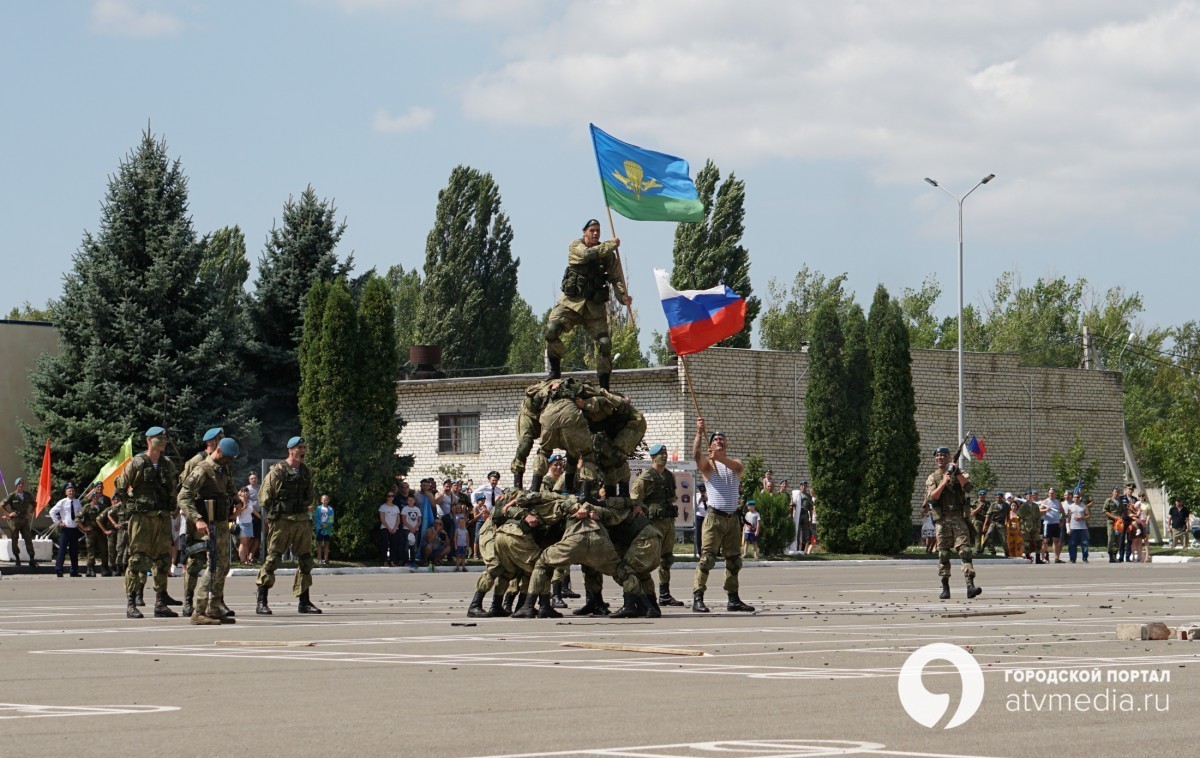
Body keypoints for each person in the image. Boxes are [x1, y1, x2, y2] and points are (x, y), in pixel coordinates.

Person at [543, 218, 631, 389]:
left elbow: (615, 277)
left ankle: (604, 386)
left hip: (594, 307)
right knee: (551, 330)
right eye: (592, 230)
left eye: (598, 230)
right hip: (571, 303)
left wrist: (623, 297)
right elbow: (586, 255)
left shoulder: (607, 254)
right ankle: (554, 372)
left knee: (604, 344)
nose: (595, 233)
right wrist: (610, 245)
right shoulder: (575, 246)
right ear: (584, 232)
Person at [115, 427, 182, 618]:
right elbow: (120, 486)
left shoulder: (167, 464)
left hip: (162, 518)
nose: (163, 441)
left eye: (164, 438)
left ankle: (160, 603)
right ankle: (131, 603)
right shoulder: (137, 462)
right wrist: (130, 506)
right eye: (158, 438)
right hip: (141, 519)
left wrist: (174, 508)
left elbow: (172, 488)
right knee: (137, 559)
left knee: (162, 560)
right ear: (148, 440)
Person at [691, 418, 754, 613]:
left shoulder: (733, 464)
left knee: (734, 560)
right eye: (716, 439)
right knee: (708, 558)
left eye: (722, 439)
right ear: (711, 445)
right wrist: (700, 433)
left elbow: (738, 468)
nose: (719, 441)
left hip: (732, 519)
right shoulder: (709, 466)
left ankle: (733, 599)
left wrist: (720, 458)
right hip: (714, 518)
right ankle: (698, 597)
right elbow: (695, 454)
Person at [178, 437, 241, 625]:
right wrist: (197, 519)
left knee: (223, 567)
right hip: (208, 523)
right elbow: (184, 496)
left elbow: (229, 489)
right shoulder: (202, 469)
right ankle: (198, 610)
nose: (229, 462)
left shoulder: (224, 468)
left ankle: (214, 609)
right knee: (213, 566)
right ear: (219, 452)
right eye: (227, 458)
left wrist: (237, 502)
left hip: (221, 522)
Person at [256, 436, 321, 615]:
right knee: (273, 559)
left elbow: (310, 495)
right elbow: (265, 497)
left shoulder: (306, 471)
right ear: (290, 450)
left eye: (304, 447)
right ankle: (262, 601)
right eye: (299, 448)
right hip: (282, 520)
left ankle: (304, 601)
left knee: (306, 560)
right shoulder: (277, 471)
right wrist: (274, 516)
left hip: (301, 519)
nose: (303, 451)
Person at [631, 443, 685, 607]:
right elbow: (635, 498)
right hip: (653, 523)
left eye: (666, 453)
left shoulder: (669, 476)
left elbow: (672, 497)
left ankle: (665, 594)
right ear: (653, 457)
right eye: (662, 454)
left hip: (668, 522)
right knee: (648, 559)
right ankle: (641, 593)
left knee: (666, 559)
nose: (665, 456)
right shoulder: (646, 477)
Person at [926, 446, 981, 599]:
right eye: (937, 455)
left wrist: (956, 472)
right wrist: (944, 482)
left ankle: (970, 586)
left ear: (949, 457)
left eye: (943, 455)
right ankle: (945, 588)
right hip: (942, 520)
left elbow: (968, 487)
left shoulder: (959, 473)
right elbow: (932, 498)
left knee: (966, 551)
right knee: (943, 554)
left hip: (958, 518)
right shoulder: (933, 477)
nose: (940, 458)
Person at [2, 477, 39, 569]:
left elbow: (35, 504)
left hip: (24, 519)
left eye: (22, 484)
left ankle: (32, 559)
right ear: (16, 486)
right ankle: (17, 558)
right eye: (19, 484)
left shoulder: (27, 495)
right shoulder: (12, 495)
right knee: (15, 539)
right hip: (14, 520)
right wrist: (8, 514)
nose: (21, 485)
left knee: (28, 538)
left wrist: (30, 513)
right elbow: (1, 505)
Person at [49, 483, 83, 578]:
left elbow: (81, 514)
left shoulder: (77, 502)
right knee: (62, 550)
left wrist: (80, 522)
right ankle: (59, 569)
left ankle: (74, 570)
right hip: (65, 529)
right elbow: (52, 512)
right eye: (69, 490)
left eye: (72, 490)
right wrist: (58, 523)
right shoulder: (62, 502)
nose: (71, 492)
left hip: (74, 529)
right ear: (66, 492)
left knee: (74, 551)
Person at [79, 485, 113, 577]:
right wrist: (84, 528)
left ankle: (104, 569)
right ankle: (90, 569)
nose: (96, 498)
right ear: (91, 498)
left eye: (97, 496)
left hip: (101, 531)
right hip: (91, 532)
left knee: (104, 550)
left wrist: (107, 528)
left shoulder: (104, 507)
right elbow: (77, 519)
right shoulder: (87, 507)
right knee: (91, 551)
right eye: (94, 496)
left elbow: (109, 517)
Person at [1039, 488, 1065, 563]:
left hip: (1056, 523)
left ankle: (1057, 558)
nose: (1051, 494)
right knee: (1045, 541)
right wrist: (1046, 509)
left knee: (1056, 540)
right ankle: (1044, 558)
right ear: (1048, 494)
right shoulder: (1045, 501)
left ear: (1055, 494)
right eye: (1050, 493)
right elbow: (1039, 511)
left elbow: (1061, 512)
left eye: (1052, 493)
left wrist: (1062, 521)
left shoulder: (1057, 502)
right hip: (1048, 523)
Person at [1102, 487, 1128, 563]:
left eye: (1118, 492)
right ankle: (1110, 555)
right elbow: (1105, 511)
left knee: (1117, 538)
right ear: (1112, 492)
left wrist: (1121, 517)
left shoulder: (1120, 501)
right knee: (1111, 538)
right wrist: (1114, 517)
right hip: (1111, 522)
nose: (1116, 494)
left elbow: (1124, 511)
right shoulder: (1108, 501)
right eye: (1115, 492)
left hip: (1118, 523)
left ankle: (1114, 555)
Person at [379, 491, 401, 567]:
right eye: (389, 496)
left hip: (395, 529)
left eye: (392, 496)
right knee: (384, 545)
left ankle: (392, 561)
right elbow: (382, 519)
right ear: (386, 497)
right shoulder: (383, 507)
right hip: (385, 528)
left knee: (394, 546)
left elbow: (398, 519)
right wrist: (389, 528)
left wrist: (394, 528)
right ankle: (385, 561)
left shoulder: (396, 507)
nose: (391, 497)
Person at [1066, 493, 1091, 563]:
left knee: (1085, 543)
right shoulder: (1070, 507)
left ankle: (1085, 558)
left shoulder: (1084, 506)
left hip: (1082, 528)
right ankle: (1072, 559)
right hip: (1073, 527)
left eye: (1077, 497)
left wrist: (1082, 517)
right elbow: (1068, 518)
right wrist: (1068, 527)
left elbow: (1088, 516)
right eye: (1075, 497)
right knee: (1072, 544)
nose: (1076, 498)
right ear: (1073, 498)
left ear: (1080, 498)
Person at [400, 493, 423, 569]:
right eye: (409, 500)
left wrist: (415, 528)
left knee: (413, 547)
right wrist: (410, 528)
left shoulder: (417, 509)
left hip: (415, 530)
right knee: (406, 546)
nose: (410, 501)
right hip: (406, 530)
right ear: (407, 501)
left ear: (414, 501)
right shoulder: (405, 509)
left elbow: (419, 520)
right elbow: (403, 520)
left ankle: (413, 561)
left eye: (412, 500)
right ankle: (406, 561)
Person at [235, 486, 256, 564]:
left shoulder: (250, 501)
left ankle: (246, 559)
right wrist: (243, 508)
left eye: (247, 491)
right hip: (241, 523)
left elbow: (254, 511)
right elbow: (236, 513)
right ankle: (242, 560)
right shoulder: (238, 501)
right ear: (241, 492)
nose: (245, 493)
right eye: (243, 491)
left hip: (249, 523)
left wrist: (262, 518)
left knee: (247, 542)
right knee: (243, 542)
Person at [314, 494, 335, 566]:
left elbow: (331, 519)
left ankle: (326, 560)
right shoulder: (318, 509)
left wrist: (327, 524)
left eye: (326, 500)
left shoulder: (330, 509)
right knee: (319, 544)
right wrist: (322, 524)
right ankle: (319, 559)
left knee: (326, 544)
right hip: (320, 528)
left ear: (328, 501)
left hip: (327, 529)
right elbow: (316, 518)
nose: (325, 501)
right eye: (324, 499)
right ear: (321, 500)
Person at [246, 472, 262, 561]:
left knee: (257, 537)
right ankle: (247, 556)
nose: (254, 480)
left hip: (261, 513)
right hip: (250, 515)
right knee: (250, 537)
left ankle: (254, 556)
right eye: (252, 478)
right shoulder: (247, 489)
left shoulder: (261, 487)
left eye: (255, 478)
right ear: (249, 480)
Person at [453, 504, 470, 572]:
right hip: (459, 545)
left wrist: (468, 545)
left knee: (463, 556)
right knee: (458, 556)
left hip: (464, 545)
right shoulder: (457, 529)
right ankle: (457, 567)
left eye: (463, 523)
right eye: (460, 523)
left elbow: (467, 539)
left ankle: (463, 567)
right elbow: (455, 538)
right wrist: (455, 545)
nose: (461, 524)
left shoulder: (466, 530)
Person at [693, 483, 707, 558]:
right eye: (700, 489)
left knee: (707, 534)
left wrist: (706, 500)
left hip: (707, 516)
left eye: (703, 489)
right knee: (699, 534)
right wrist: (699, 501)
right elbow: (694, 507)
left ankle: (708, 551)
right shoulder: (696, 496)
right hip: (699, 516)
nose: (702, 491)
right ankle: (699, 551)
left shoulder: (709, 495)